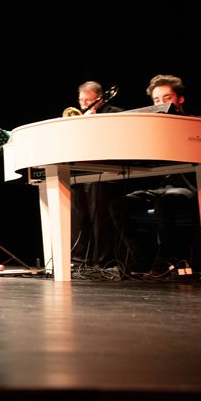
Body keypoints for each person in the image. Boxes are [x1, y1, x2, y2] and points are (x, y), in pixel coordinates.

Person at [109, 75, 196, 275]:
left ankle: (166, 262)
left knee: (166, 201)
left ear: (180, 99)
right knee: (119, 205)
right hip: (163, 188)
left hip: (191, 187)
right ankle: (142, 259)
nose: (161, 104)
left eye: (167, 98)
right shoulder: (154, 132)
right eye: (157, 100)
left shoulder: (196, 124)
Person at [70, 81, 123, 268]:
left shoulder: (114, 114)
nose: (83, 104)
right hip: (81, 172)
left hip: (105, 174)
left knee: (100, 219)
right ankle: (78, 262)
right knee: (77, 217)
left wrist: (93, 122)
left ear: (99, 99)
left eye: (88, 100)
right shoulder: (78, 117)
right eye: (81, 100)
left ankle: (102, 262)